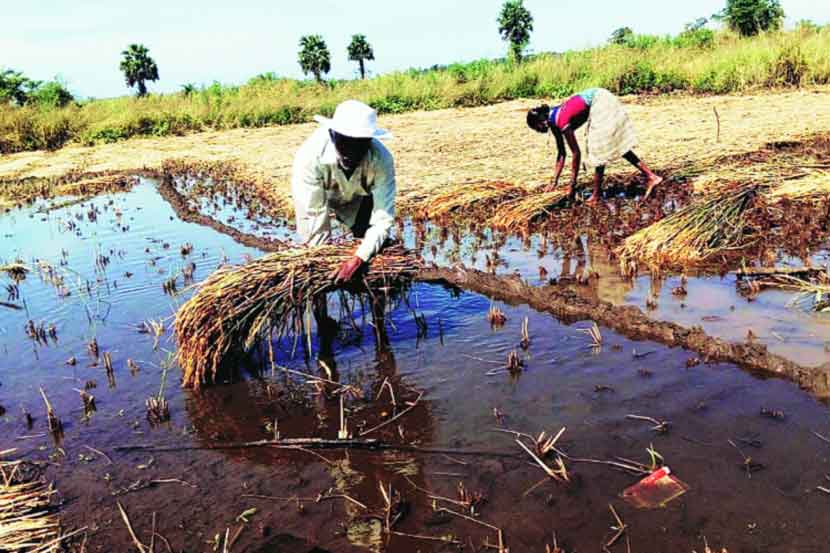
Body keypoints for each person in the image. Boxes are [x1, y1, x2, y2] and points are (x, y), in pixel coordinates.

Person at [292, 99, 396, 283]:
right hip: (322, 193)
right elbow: (313, 215)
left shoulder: (381, 159)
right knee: (315, 259)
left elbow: (383, 218)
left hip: (362, 196)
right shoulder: (309, 158)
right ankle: (320, 307)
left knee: (371, 250)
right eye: (345, 142)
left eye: (360, 144)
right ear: (332, 135)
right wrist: (321, 260)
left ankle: (377, 302)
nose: (352, 152)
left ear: (370, 141)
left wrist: (358, 259)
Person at [526, 88, 663, 206]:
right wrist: (554, 181)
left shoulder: (560, 120)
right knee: (609, 145)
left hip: (601, 100)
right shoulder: (553, 122)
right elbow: (561, 154)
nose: (538, 131)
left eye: (536, 128)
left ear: (541, 122)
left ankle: (596, 195)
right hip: (597, 100)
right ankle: (651, 176)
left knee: (598, 148)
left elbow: (576, 153)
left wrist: (572, 185)